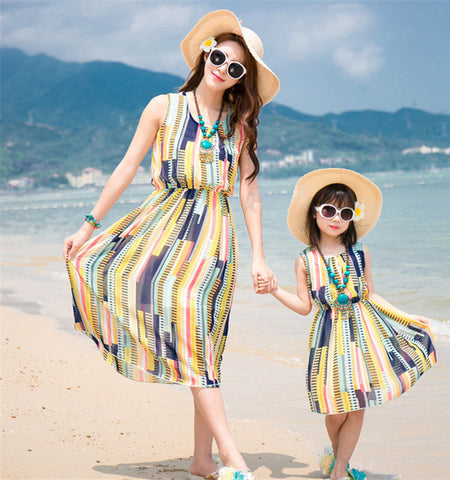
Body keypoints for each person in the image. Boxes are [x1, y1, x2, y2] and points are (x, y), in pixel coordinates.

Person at [63, 10, 279, 480]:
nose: (223, 68)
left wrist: (260, 255)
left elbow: (249, 192)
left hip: (216, 243)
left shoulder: (237, 124)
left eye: (236, 67)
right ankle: (234, 461)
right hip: (163, 230)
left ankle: (204, 460)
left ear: (243, 79)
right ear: (206, 52)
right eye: (220, 56)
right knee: (192, 338)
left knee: (204, 344)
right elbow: (126, 168)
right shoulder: (163, 107)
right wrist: (88, 226)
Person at [261, 168, 436, 480]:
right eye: (329, 210)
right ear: (314, 214)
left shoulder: (360, 253)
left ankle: (339, 470)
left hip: (365, 336)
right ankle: (337, 456)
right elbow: (304, 307)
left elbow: (372, 295)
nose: (336, 218)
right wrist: (275, 290)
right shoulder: (305, 260)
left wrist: (407, 317)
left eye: (345, 212)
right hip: (328, 340)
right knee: (334, 409)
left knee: (358, 405)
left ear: (353, 217)